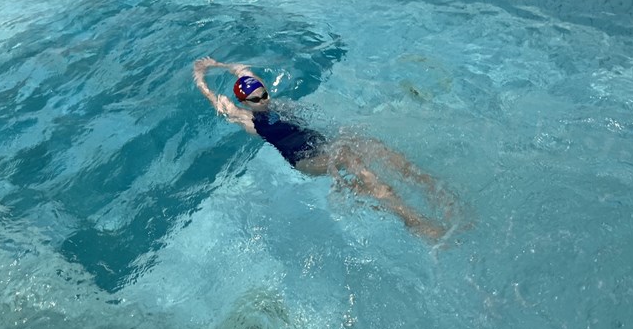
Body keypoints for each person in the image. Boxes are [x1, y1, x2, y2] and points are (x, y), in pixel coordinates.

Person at [193, 57, 453, 239]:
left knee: (372, 144)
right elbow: (216, 101)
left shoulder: (259, 92)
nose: (263, 100)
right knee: (347, 155)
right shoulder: (247, 119)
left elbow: (242, 70)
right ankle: (412, 220)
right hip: (304, 160)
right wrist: (199, 76)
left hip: (321, 144)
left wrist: (219, 64)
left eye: (264, 94)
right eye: (256, 99)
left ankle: (429, 186)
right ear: (245, 103)